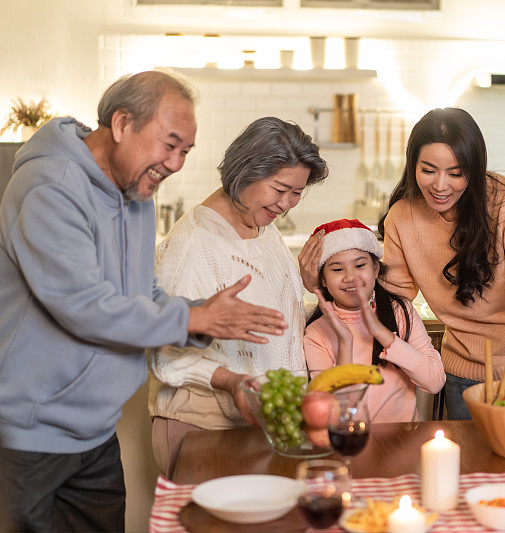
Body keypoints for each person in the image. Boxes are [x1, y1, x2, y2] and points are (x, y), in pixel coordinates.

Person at [0, 71, 287, 532]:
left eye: (185, 151)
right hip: (31, 432)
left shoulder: (135, 191)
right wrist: (193, 316)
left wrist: (202, 318)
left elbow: (141, 291)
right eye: (168, 144)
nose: (174, 163)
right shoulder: (50, 187)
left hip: (93, 431)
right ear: (121, 124)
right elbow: (84, 307)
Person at [324, 107, 505, 421]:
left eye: (455, 173)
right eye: (428, 170)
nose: (440, 185)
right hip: (461, 373)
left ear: (474, 168)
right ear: (412, 164)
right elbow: (394, 299)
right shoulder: (403, 216)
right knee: (467, 467)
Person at [147, 116, 328, 478]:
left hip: (259, 424)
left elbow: (267, 325)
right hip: (204, 425)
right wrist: (231, 381)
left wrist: (309, 291)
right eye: (280, 189)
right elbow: (163, 355)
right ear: (245, 172)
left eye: (297, 192)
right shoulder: (194, 244)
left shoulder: (264, 229)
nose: (287, 203)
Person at [303, 219, 446, 422]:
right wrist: (345, 341)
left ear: (376, 270)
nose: (350, 277)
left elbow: (434, 382)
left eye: (360, 265)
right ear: (323, 279)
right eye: (337, 269)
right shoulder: (316, 333)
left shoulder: (401, 311)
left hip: (402, 443)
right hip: (350, 443)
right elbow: (335, 415)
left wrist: (384, 335)